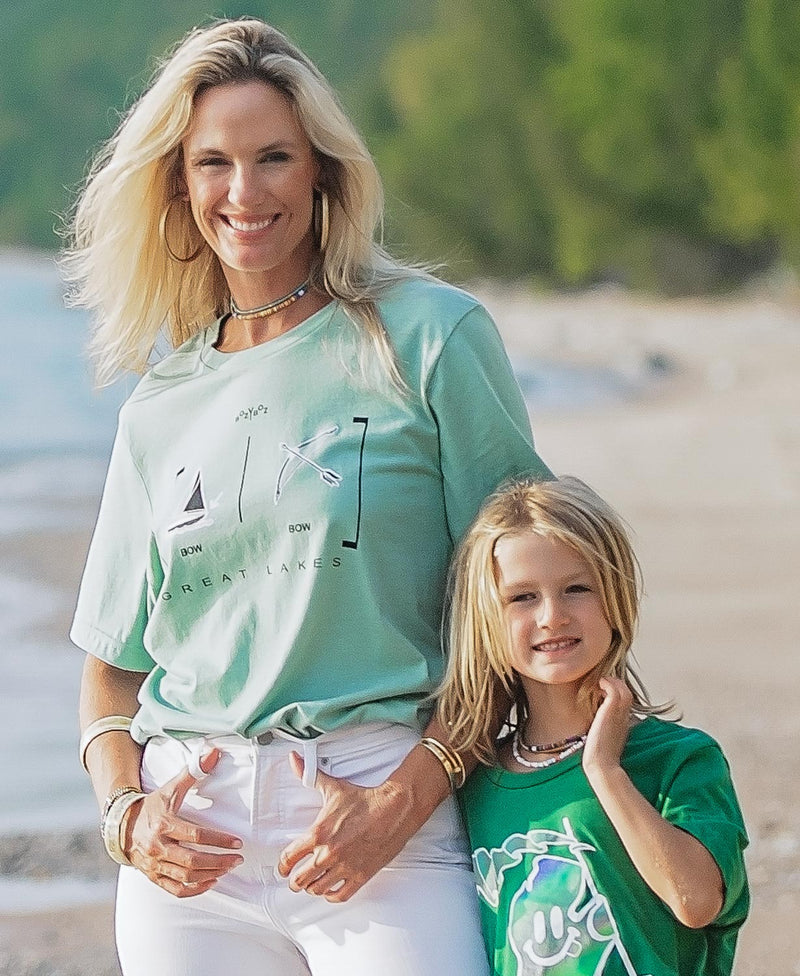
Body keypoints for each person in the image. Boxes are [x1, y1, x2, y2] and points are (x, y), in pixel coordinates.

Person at [64, 17, 551, 976]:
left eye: (274, 157)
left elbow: (522, 605)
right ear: (180, 183)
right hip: (189, 842)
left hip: (380, 804)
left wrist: (410, 794)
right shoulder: (161, 403)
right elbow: (111, 668)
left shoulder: (430, 340)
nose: (243, 193)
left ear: (324, 171)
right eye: (213, 163)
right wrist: (126, 812)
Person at [437, 476, 749, 976]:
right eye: (522, 598)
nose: (552, 616)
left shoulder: (678, 759)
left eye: (576, 588)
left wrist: (603, 770)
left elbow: (695, 901)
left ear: (616, 599)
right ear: (486, 619)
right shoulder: (475, 783)